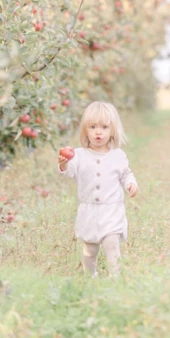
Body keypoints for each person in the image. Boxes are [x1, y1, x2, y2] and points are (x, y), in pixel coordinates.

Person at [58, 101, 138, 277]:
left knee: (112, 244)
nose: (98, 132)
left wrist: (131, 184)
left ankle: (115, 278)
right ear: (86, 130)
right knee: (90, 249)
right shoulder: (79, 155)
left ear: (113, 130)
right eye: (93, 127)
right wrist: (64, 165)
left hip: (111, 210)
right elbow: (70, 172)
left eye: (104, 127)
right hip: (89, 212)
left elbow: (126, 174)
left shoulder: (117, 155)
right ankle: (90, 276)